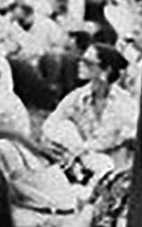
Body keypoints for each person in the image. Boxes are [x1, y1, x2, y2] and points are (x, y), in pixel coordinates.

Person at [42, 42, 136, 172]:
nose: (80, 64)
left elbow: (121, 138)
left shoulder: (124, 102)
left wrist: (82, 148)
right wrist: (64, 141)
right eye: (81, 60)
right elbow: (50, 124)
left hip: (112, 164)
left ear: (106, 69)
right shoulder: (78, 95)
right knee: (65, 126)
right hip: (80, 158)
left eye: (88, 62)